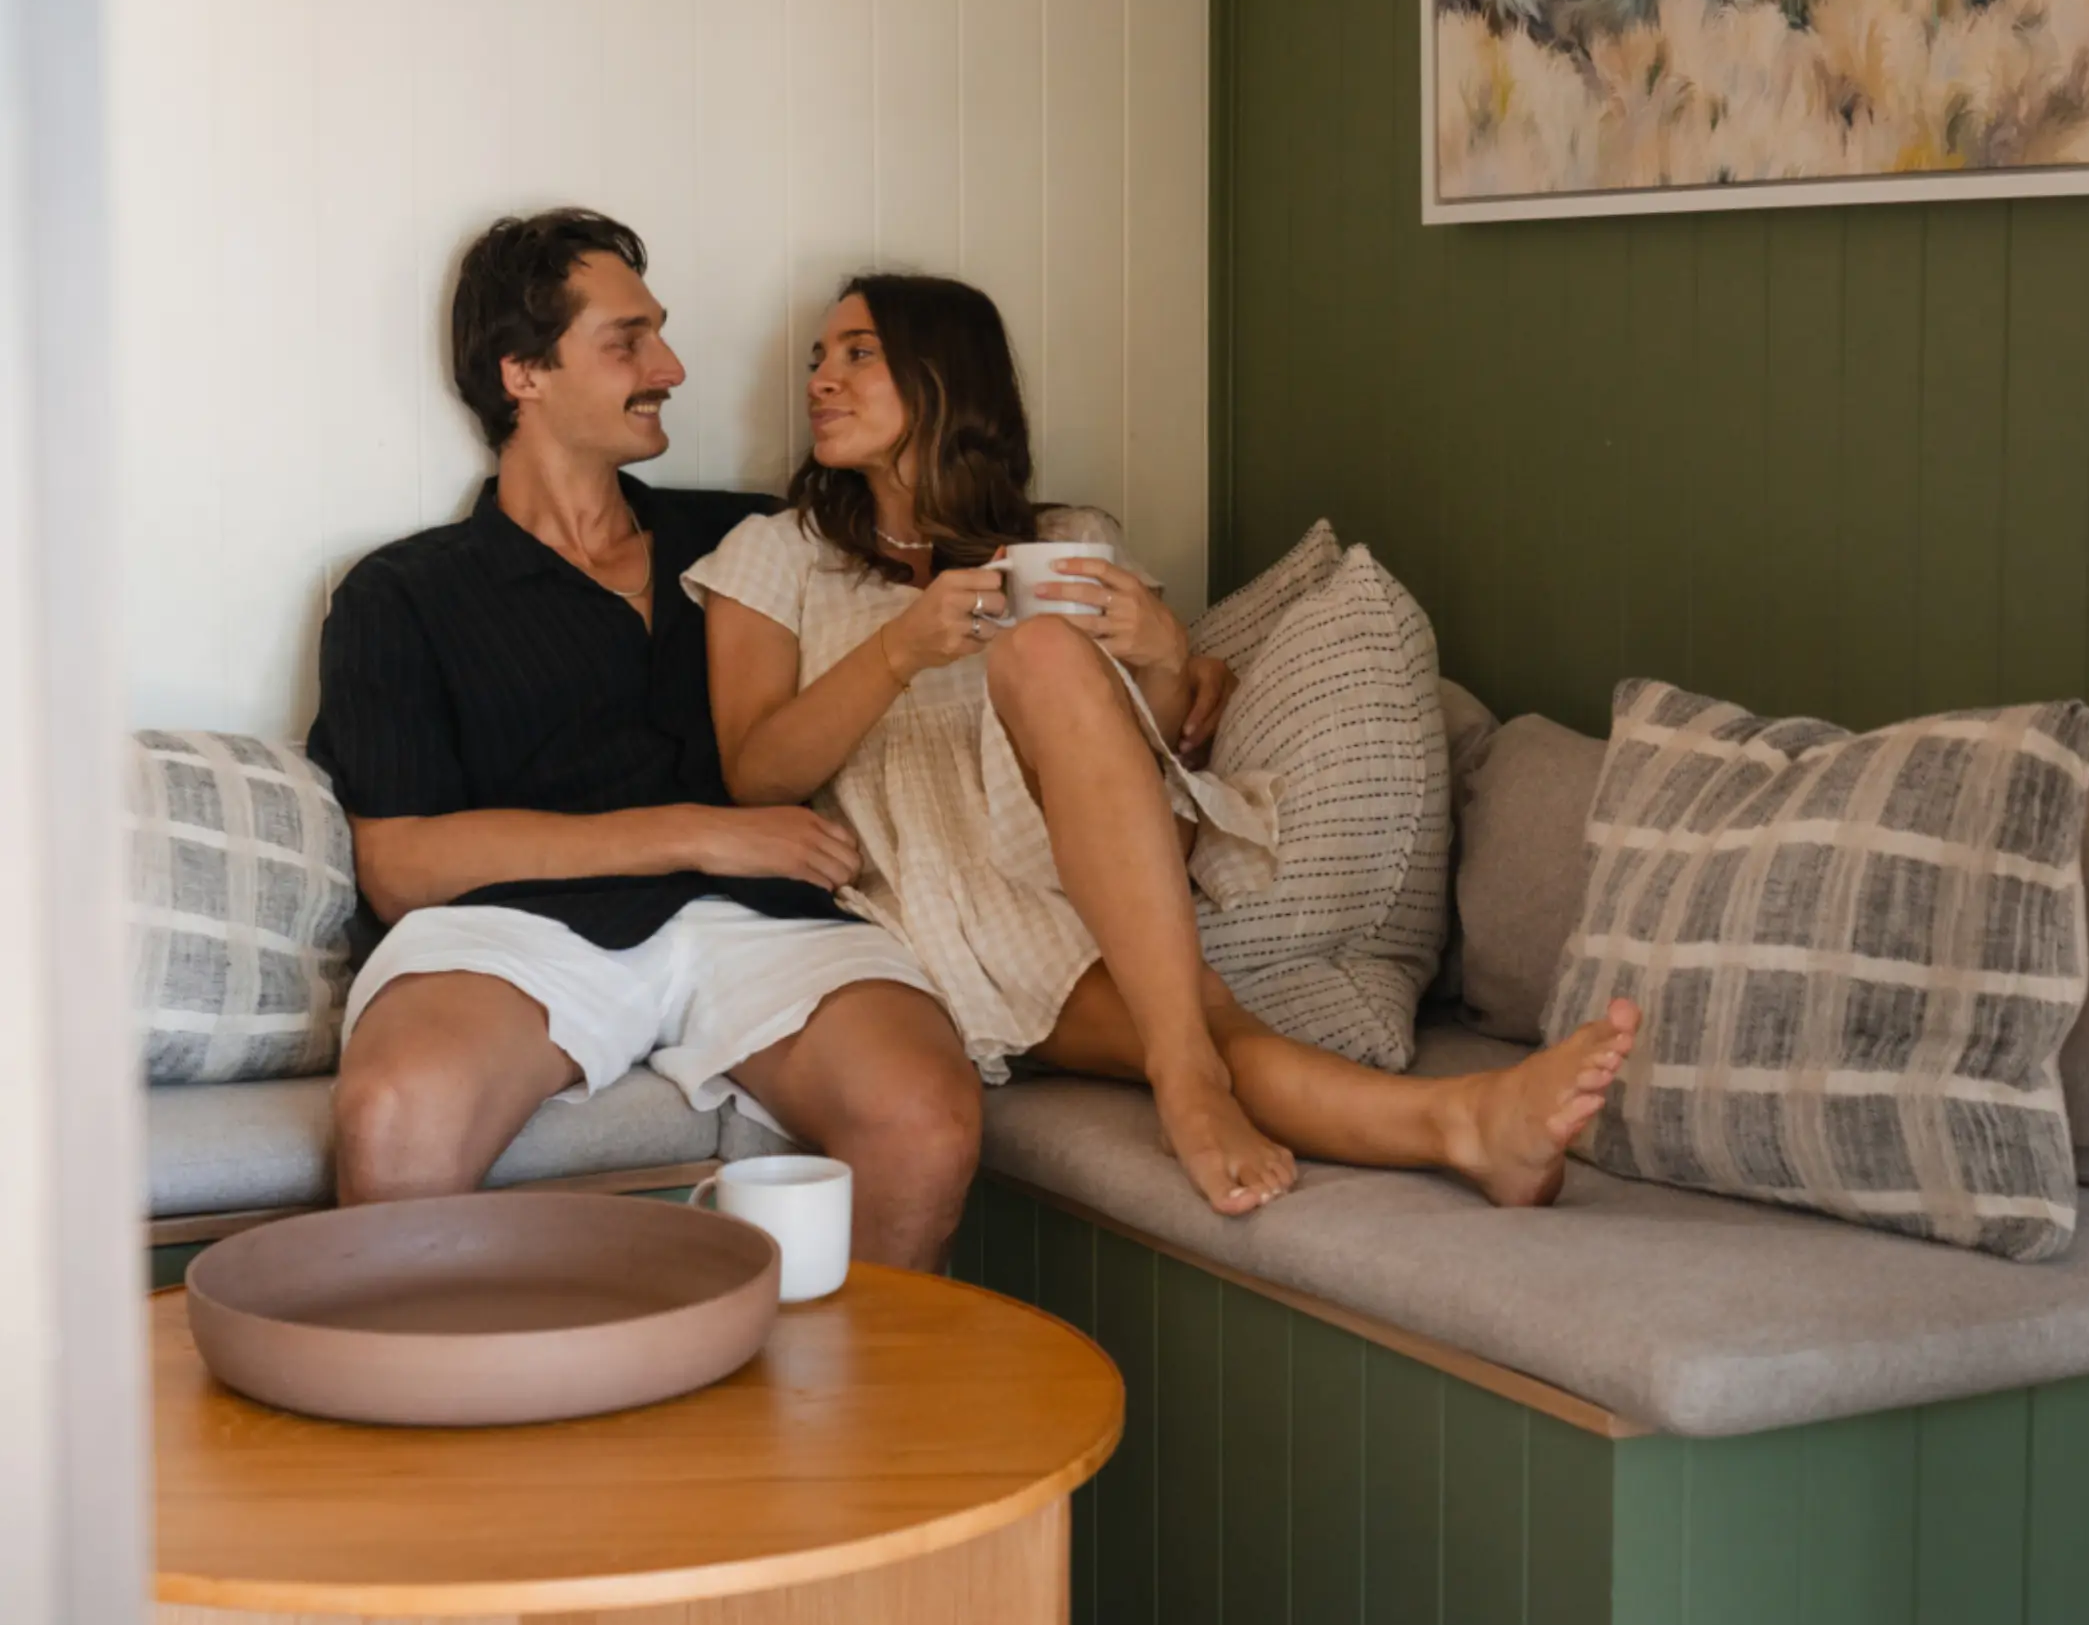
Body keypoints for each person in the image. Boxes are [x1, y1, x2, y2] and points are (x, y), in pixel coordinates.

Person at [689, 272, 1639, 1223]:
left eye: (859, 355)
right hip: (936, 885)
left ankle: (1211, 1077)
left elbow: (1160, 740)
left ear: (948, 377)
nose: (821, 379)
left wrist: (1166, 658)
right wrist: (899, 650)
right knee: (1202, 1017)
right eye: (818, 358)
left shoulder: (1068, 540)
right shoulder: (779, 553)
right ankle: (1461, 1123)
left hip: (1101, 850)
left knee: (1041, 649)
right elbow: (757, 772)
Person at [307, 211, 984, 1266]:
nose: (669, 367)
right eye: (628, 341)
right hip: (518, 932)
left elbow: (950, 544)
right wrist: (696, 831)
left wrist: (1167, 660)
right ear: (522, 372)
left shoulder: (754, 540)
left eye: (659, 334)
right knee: (397, 1112)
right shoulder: (402, 592)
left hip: (772, 920)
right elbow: (400, 865)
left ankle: (841, 1381)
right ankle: (429, 1378)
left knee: (926, 1120)